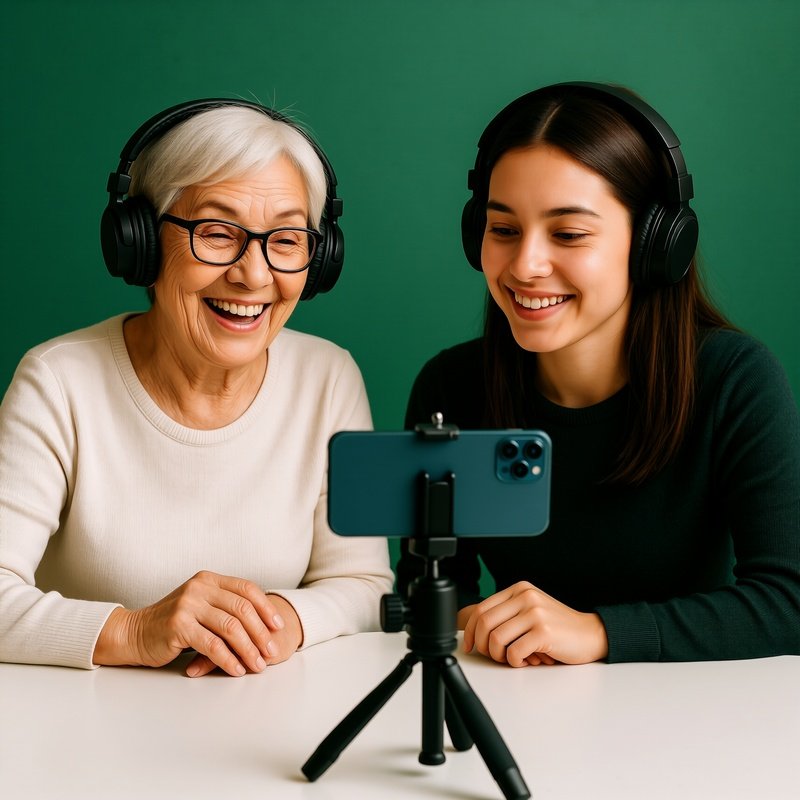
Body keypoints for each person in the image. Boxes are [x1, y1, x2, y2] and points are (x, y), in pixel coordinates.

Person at [398, 81, 800, 665]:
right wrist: (476, 623)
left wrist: (595, 632)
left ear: (655, 244)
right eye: (503, 229)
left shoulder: (734, 379)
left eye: (569, 234)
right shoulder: (451, 387)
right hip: (521, 705)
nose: (526, 265)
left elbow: (789, 602)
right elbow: (426, 587)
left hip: (695, 722)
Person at [0, 99, 393, 677]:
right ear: (142, 243)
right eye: (215, 232)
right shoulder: (59, 381)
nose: (253, 276)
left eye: (286, 241)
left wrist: (271, 623)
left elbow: (363, 583)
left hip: (262, 726)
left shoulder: (328, 377)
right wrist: (134, 631)